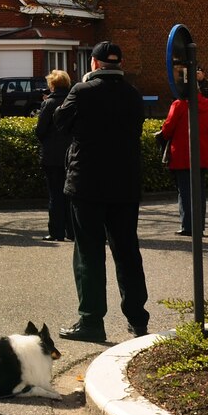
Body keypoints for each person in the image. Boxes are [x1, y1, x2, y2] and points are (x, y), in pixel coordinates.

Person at [53, 44, 148, 342]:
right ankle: (137, 318)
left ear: (94, 62)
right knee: (127, 252)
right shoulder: (133, 94)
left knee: (89, 253)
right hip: (125, 184)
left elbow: (59, 122)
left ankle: (91, 321)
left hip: (88, 183)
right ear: (120, 62)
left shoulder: (82, 92)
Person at [157, 73, 208, 237]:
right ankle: (199, 225)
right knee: (199, 191)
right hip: (201, 151)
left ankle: (188, 226)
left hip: (182, 153)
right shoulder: (206, 104)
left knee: (184, 191)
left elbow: (167, 129)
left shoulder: (179, 104)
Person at [34, 69, 75, 241]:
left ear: (52, 85)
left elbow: (40, 130)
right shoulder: (73, 102)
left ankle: (56, 231)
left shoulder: (49, 104)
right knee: (70, 194)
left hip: (52, 154)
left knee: (55, 194)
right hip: (71, 153)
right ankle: (71, 231)